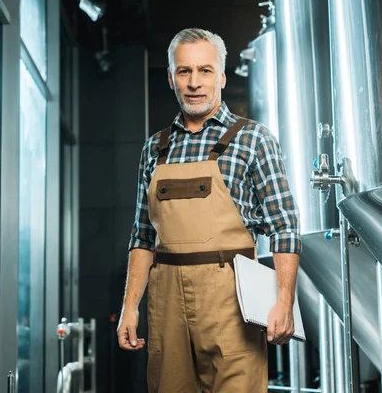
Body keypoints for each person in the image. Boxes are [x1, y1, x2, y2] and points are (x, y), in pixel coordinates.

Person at [117, 28, 301, 392]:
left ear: (221, 76)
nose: (194, 82)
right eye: (184, 71)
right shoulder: (154, 148)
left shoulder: (253, 139)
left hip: (231, 301)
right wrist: (130, 306)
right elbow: (142, 236)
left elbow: (285, 226)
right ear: (171, 78)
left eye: (204, 70)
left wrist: (284, 301)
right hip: (166, 302)